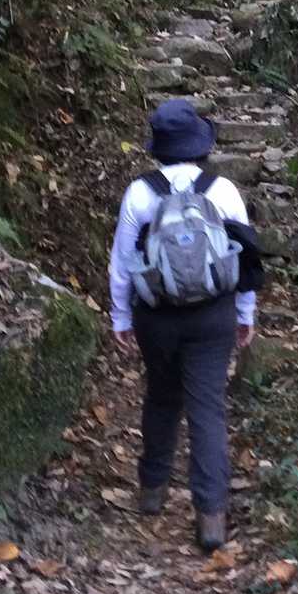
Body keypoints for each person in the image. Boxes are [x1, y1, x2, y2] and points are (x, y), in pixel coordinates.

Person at [108, 99, 257, 551]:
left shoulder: (140, 193)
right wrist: (245, 314)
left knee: (161, 396)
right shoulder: (223, 191)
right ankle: (211, 518)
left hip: (156, 315)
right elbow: (246, 258)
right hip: (213, 314)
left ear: (159, 148)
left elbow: (122, 262)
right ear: (199, 145)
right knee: (207, 409)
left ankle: (152, 491)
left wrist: (121, 317)